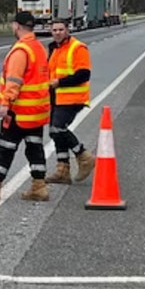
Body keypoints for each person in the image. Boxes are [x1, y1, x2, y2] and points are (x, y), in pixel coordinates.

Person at [0, 11, 52, 202]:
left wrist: (6, 103)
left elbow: (14, 80)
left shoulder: (21, 50)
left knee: (6, 147)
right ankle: (39, 186)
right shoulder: (38, 48)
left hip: (20, 110)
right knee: (35, 147)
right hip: (36, 111)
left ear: (16, 26)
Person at [43, 19, 96, 185]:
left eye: (60, 29)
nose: (57, 32)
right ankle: (62, 170)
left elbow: (83, 75)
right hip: (57, 97)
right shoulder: (54, 49)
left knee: (58, 128)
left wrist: (60, 83)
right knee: (54, 132)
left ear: (67, 30)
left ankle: (83, 156)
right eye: (54, 30)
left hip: (72, 98)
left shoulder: (77, 47)